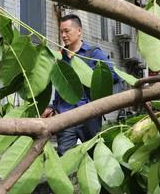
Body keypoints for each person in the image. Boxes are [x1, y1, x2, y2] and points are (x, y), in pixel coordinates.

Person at [42, 14, 119, 155]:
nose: (63, 35)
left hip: (89, 116)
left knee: (93, 155)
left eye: (67, 31)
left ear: (79, 31)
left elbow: (114, 75)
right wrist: (54, 107)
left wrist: (89, 77)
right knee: (65, 157)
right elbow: (59, 87)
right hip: (65, 117)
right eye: (61, 32)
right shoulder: (60, 57)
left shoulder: (93, 54)